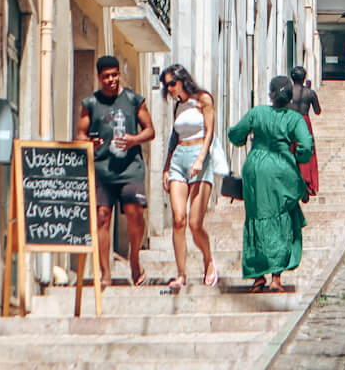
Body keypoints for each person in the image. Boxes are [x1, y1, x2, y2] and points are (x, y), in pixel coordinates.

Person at [228, 75, 314, 292]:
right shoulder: (294, 119)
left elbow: (236, 134)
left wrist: (240, 139)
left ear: (271, 95)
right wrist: (299, 158)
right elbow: (305, 146)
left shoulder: (257, 112)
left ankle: (258, 277)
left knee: (256, 217)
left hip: (256, 169)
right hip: (282, 168)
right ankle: (276, 278)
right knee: (282, 218)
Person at [75, 55, 156, 287]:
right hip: (102, 170)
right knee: (102, 218)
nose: (111, 80)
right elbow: (80, 135)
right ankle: (105, 273)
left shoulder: (133, 99)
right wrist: (90, 142)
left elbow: (150, 131)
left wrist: (133, 140)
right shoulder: (90, 103)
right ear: (99, 77)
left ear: (119, 74)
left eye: (114, 75)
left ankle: (134, 260)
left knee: (135, 213)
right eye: (105, 76)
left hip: (130, 168)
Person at [159, 64, 218, 290]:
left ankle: (208, 259)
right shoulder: (178, 107)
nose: (170, 88)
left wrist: (201, 158)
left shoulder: (203, 99)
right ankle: (181, 274)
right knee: (178, 219)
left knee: (195, 223)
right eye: (167, 85)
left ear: (183, 80)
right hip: (178, 160)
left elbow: (210, 131)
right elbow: (174, 139)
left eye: (173, 83)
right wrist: (166, 167)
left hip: (198, 157)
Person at [289, 66, 322, 197]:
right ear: (304, 78)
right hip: (304, 121)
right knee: (308, 151)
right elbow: (318, 111)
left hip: (290, 121)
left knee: (289, 150)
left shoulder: (287, 91)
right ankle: (308, 182)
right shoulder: (310, 93)